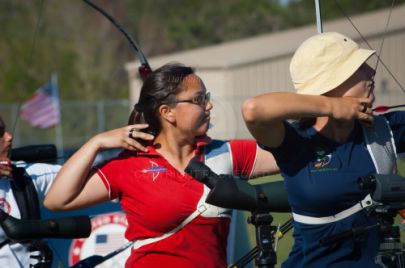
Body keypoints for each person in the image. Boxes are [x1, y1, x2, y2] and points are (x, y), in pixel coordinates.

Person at [44, 63, 279, 268]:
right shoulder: (129, 163)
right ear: (167, 112)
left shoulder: (226, 153)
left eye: (206, 97)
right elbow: (56, 200)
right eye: (199, 99)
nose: (208, 106)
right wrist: (96, 143)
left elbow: (292, 156)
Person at [242, 31, 405, 267]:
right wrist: (332, 106)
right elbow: (253, 109)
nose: (372, 72)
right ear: (333, 82)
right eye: (360, 68)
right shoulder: (295, 140)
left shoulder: (385, 129)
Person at [0, 115, 61, 268]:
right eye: (0, 133)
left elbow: (81, 177)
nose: (9, 136)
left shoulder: (24, 175)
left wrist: (97, 143)